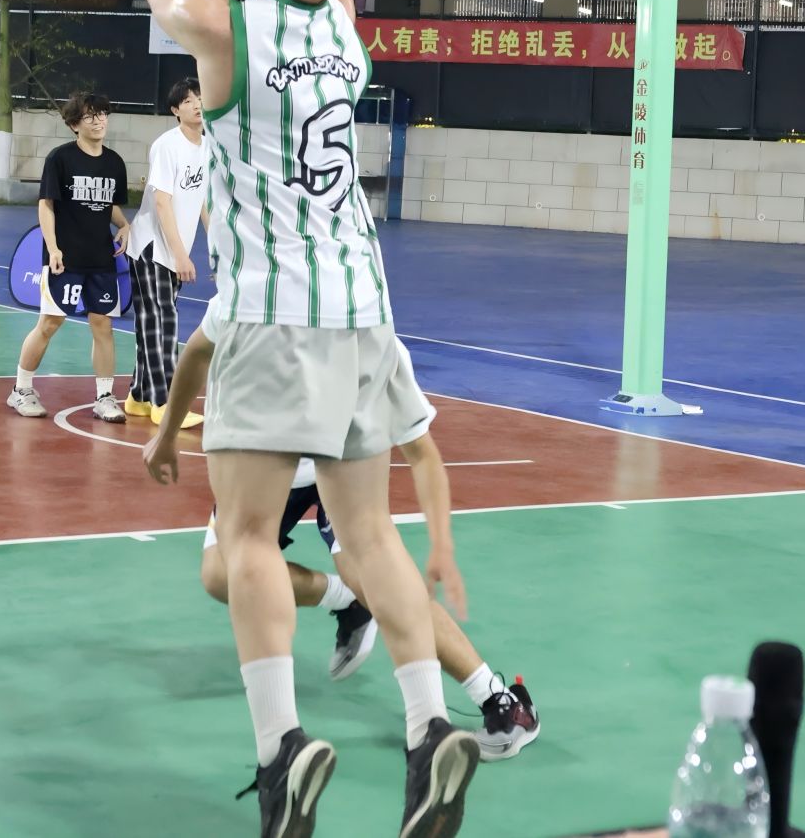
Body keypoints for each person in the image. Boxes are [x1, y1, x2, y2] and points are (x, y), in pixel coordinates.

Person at [141, 0, 481, 838]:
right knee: (368, 536)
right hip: (363, 311)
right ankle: (429, 726)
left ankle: (282, 748)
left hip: (271, 310)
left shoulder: (226, 31)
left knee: (246, 538)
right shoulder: (343, 28)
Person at [147, 327, 541, 762]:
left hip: (341, 468)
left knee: (378, 578)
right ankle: (346, 601)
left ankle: (499, 700)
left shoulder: (370, 331)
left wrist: (441, 543)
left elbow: (420, 450)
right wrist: (167, 434)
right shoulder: (249, 303)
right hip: (265, 466)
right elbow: (198, 351)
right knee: (219, 575)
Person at [8, 91, 132, 423]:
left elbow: (109, 204)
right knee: (50, 322)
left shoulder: (114, 162)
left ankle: (104, 397)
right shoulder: (60, 159)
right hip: (65, 258)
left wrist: (123, 224)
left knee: (103, 325)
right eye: (91, 116)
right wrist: (53, 248)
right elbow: (46, 204)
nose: (99, 121)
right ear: (75, 124)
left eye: (103, 114)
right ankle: (21, 389)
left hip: (101, 258)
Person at [126, 76, 210, 429]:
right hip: (151, 246)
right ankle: (164, 402)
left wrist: (216, 246)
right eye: (188, 100)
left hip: (172, 248)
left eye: (199, 97)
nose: (197, 104)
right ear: (176, 110)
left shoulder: (208, 145)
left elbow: (204, 200)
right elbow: (162, 203)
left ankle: (139, 396)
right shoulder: (167, 146)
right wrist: (180, 255)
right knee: (163, 320)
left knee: (152, 320)